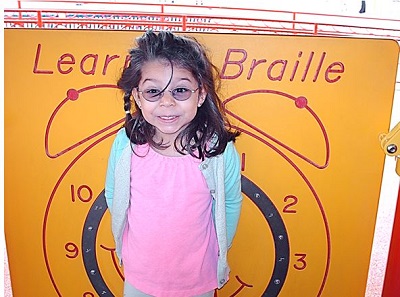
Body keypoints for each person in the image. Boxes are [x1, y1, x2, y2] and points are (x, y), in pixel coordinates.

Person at [105, 30, 243, 297]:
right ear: (137, 96)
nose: (167, 103)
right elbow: (114, 194)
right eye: (153, 91)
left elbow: (230, 204)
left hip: (198, 278)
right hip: (139, 276)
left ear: (200, 94)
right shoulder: (127, 144)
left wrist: (218, 250)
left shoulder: (217, 151)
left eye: (180, 90)